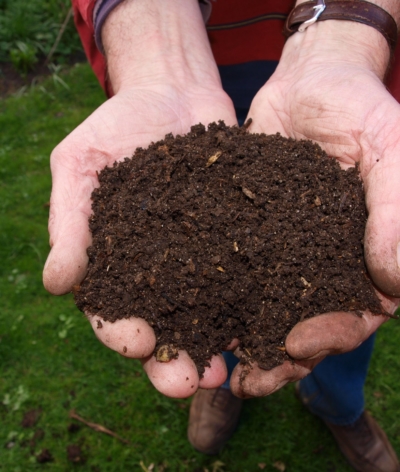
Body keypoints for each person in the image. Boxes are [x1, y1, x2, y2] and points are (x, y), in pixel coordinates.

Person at [43, 0, 400, 470]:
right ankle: (224, 380)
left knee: (345, 304)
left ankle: (339, 406)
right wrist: (159, 54)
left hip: (335, 56)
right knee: (221, 319)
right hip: (194, 52)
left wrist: (344, 40)